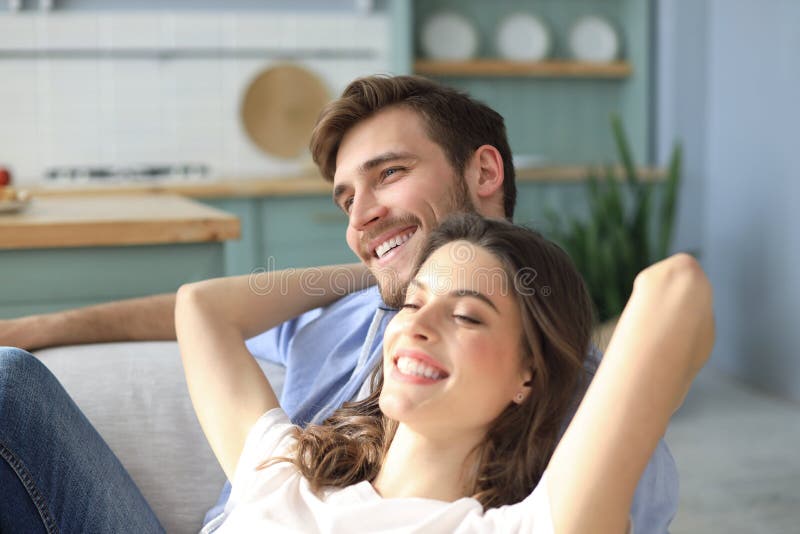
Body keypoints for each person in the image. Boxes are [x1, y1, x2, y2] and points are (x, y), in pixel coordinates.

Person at [0, 75, 679, 530]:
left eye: (389, 175)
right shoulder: (355, 321)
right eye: (347, 201)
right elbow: (199, 309)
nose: (362, 218)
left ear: (484, 171)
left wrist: (412, 271)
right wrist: (386, 273)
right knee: (9, 380)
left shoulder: (572, 396)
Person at [176, 213, 715, 533]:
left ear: (526, 377)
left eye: (466, 315)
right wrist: (382, 275)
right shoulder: (282, 473)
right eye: (413, 304)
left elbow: (675, 287)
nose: (420, 324)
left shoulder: (530, 525)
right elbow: (199, 306)